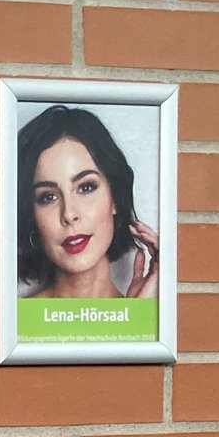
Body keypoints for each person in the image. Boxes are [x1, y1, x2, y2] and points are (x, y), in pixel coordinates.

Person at [17, 104, 159, 300]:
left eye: (86, 187)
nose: (68, 214)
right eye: (48, 197)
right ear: (31, 216)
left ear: (115, 198)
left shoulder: (147, 317)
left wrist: (136, 318)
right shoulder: (15, 321)